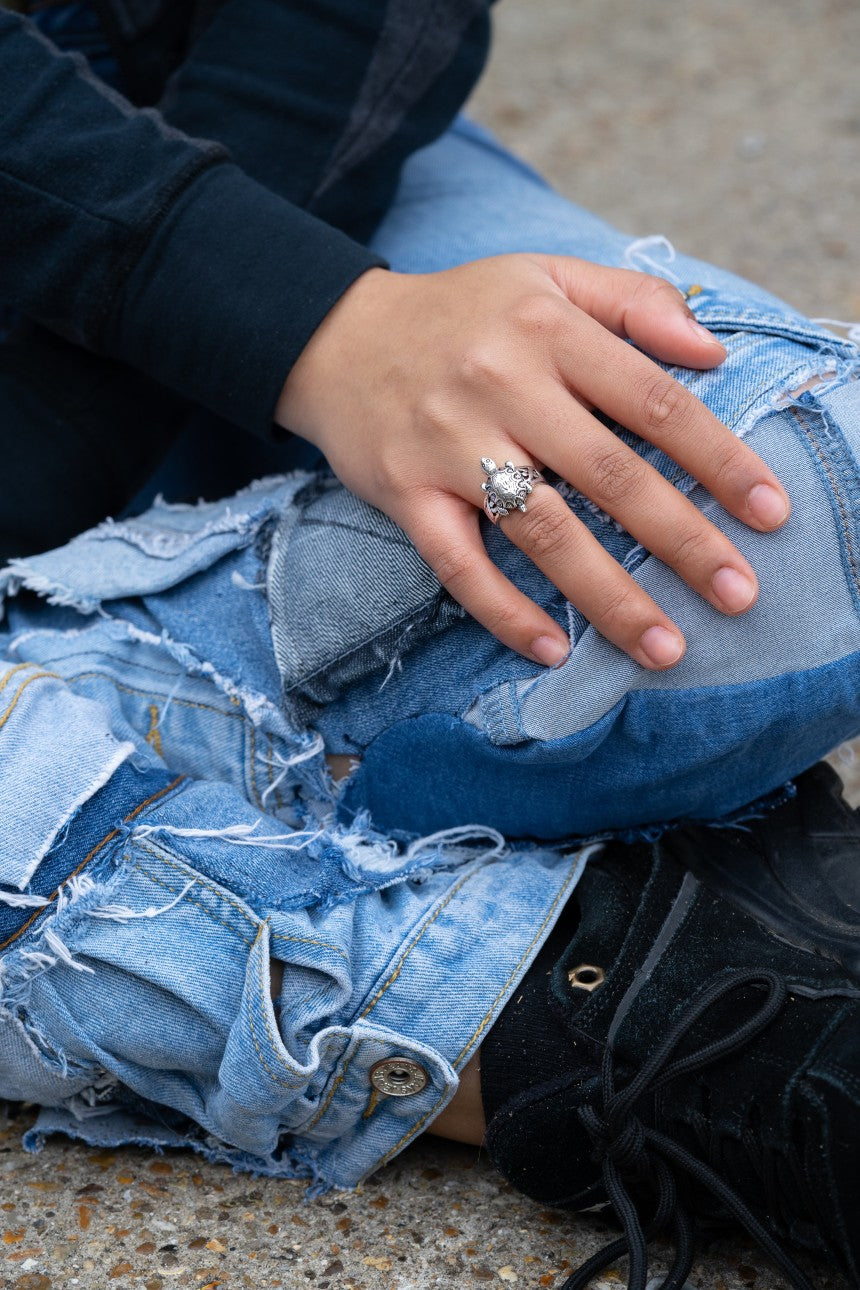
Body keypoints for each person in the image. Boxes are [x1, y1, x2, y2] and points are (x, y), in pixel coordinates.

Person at [1, 2, 859, 1288]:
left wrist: (302, 320)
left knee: (793, 500)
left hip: (217, 161)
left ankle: (170, 788)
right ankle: (609, 1009)